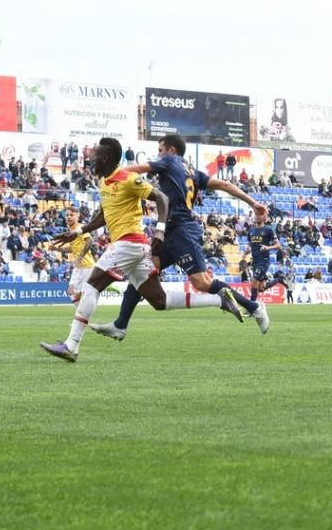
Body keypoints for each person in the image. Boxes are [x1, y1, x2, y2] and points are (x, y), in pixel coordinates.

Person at [40, 137, 241, 363]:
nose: (91, 160)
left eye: (95, 156)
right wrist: (78, 232)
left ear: (105, 158)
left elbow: (162, 198)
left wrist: (160, 230)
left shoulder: (128, 178)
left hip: (129, 243)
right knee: (159, 300)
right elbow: (104, 216)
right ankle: (219, 300)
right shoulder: (104, 183)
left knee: (91, 286)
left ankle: (71, 345)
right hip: (132, 248)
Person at [90, 133, 269, 342]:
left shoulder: (169, 161)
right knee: (142, 272)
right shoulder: (193, 172)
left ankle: (255, 307)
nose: (159, 155)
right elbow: (225, 185)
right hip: (171, 230)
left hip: (182, 230)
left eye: (161, 150)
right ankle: (120, 325)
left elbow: (137, 170)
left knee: (201, 283)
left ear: (171, 151)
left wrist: (111, 175)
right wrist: (253, 203)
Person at [50, 208, 95, 304]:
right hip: (79, 266)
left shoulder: (80, 228)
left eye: (71, 215)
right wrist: (56, 249)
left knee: (79, 293)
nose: (69, 217)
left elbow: (90, 241)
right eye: (67, 215)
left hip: (87, 265)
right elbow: (71, 249)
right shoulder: (71, 231)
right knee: (72, 292)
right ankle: (82, 315)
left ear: (77, 216)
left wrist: (80, 257)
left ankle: (83, 315)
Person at [247, 211, 283, 305]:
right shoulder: (251, 230)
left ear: (264, 218)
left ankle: (252, 306)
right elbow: (250, 244)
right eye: (257, 215)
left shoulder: (268, 230)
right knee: (261, 288)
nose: (258, 216)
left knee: (254, 281)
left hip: (263, 261)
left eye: (260, 215)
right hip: (255, 261)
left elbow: (278, 245)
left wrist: (268, 247)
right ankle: (279, 279)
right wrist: (248, 249)